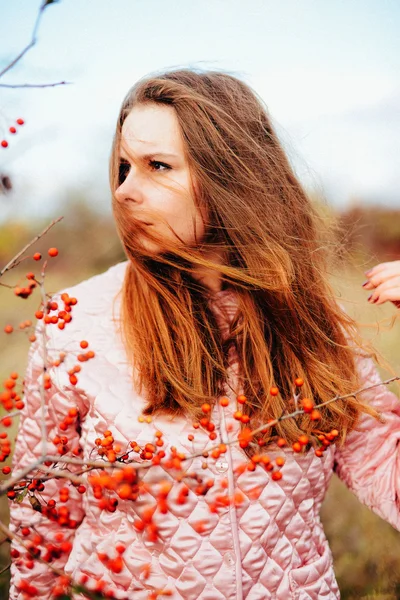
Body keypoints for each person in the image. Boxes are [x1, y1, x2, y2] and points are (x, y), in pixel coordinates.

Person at [8, 69, 400, 600]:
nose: (124, 191)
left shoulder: (310, 323)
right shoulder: (76, 323)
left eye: (157, 167)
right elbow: (41, 521)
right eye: (123, 168)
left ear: (231, 177)